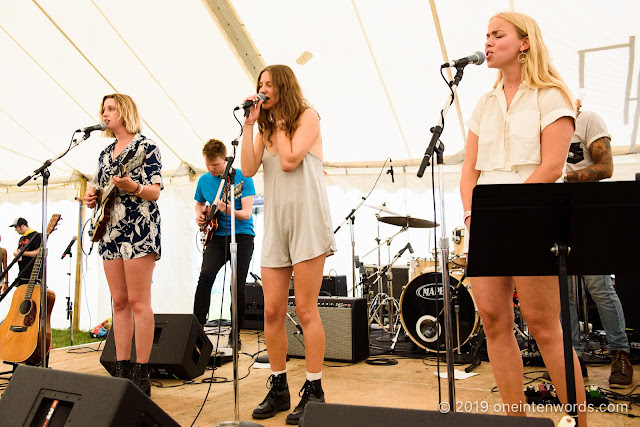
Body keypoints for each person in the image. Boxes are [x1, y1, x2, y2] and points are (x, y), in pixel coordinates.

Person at [460, 12, 587, 424]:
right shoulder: (484, 102)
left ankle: (578, 420)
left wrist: (512, 213)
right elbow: (469, 172)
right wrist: (469, 216)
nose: (489, 42)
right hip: (488, 220)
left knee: (544, 326)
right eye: (487, 35)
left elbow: (552, 167)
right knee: (495, 322)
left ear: (525, 43)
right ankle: (514, 419)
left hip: (533, 217)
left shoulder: (552, 96)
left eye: (498, 35)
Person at [241, 64, 337, 425]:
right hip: (277, 225)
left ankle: (315, 389)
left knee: (307, 309)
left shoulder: (307, 117)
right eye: (259, 84)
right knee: (271, 311)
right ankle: (279, 385)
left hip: (308, 221)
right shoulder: (265, 127)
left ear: (283, 87)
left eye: (268, 84)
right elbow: (248, 169)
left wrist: (279, 121)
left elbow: (290, 160)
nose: (262, 89)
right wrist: (251, 124)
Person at [83, 94, 162, 397]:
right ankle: (122, 366)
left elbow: (155, 192)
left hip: (140, 230)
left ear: (125, 111)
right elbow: (99, 190)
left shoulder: (147, 147)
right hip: (110, 232)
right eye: (103, 108)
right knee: (119, 302)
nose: (105, 113)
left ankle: (142, 372)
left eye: (111, 108)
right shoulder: (104, 154)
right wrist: (92, 198)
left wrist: (134, 187)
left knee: (139, 301)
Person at [565, 100, 633, 388]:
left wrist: (562, 178)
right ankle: (572, 358)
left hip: (590, 214)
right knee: (562, 291)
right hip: (557, 214)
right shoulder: (542, 128)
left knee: (599, 286)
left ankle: (621, 353)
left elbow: (606, 167)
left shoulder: (588, 118)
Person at [193, 138, 255, 348]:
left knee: (237, 286)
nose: (211, 169)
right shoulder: (203, 181)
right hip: (216, 238)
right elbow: (199, 204)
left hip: (242, 236)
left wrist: (231, 211)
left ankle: (235, 335)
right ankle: (196, 331)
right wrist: (200, 216)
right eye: (208, 165)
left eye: (216, 165)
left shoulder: (243, 178)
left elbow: (246, 214)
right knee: (205, 277)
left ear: (225, 161)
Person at [9, 218, 41, 285]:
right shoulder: (22, 238)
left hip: (33, 273)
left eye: (16, 227)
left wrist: (22, 253)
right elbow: (21, 252)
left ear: (22, 226)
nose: (15, 230)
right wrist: (17, 256)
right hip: (22, 272)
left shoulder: (36, 236)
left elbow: (39, 252)